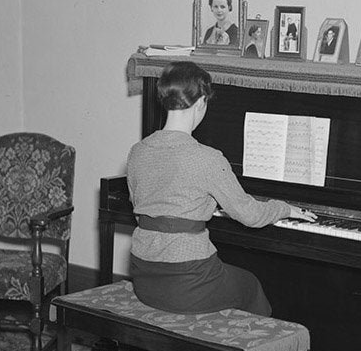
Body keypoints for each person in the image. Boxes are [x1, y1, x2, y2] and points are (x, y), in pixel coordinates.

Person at [126, 61, 316, 316]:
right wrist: (284, 208)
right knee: (250, 285)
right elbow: (250, 215)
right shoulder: (208, 158)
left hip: (144, 277)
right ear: (201, 101)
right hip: (187, 280)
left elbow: (143, 208)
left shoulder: (137, 151)